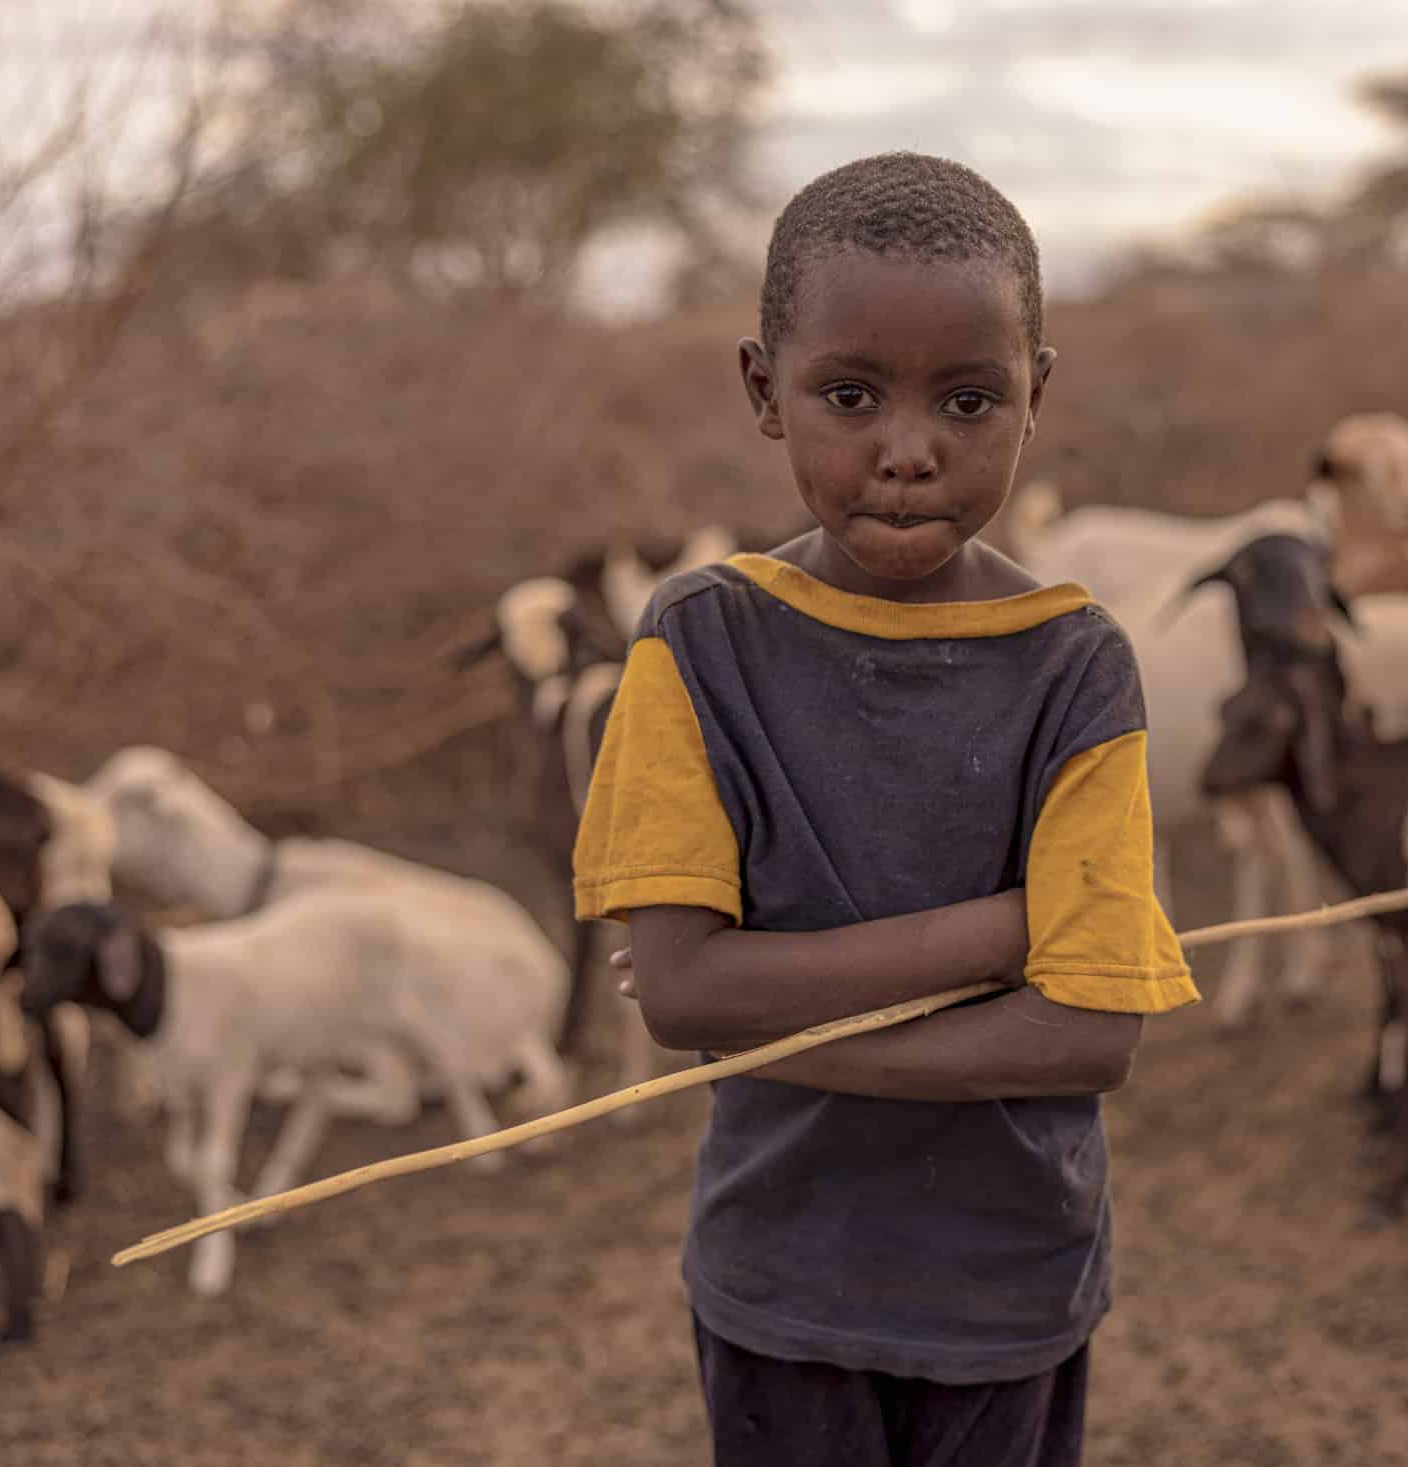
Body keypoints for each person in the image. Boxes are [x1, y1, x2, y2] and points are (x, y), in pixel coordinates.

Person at [573, 150, 1199, 1467]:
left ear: (1036, 394)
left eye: (969, 400)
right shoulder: (697, 642)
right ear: (763, 389)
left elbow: (1088, 1041)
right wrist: (1007, 932)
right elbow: (684, 992)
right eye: (848, 395)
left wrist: (780, 1037)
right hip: (780, 1286)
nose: (907, 453)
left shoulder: (1077, 665)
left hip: (1007, 1286)